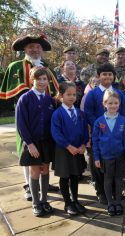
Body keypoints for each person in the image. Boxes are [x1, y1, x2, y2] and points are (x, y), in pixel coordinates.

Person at [84, 63, 125, 204]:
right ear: (98, 76)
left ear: (114, 76)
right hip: (99, 134)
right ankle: (101, 192)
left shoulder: (119, 93)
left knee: (116, 166)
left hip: (116, 135)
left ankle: (117, 191)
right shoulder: (92, 94)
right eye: (104, 74)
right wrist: (99, 125)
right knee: (98, 166)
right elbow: (88, 112)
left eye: (110, 74)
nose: (107, 77)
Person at [16, 66, 56, 216]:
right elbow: (21, 124)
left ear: (48, 81)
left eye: (44, 79)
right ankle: (36, 202)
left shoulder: (49, 100)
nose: (41, 82)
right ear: (32, 80)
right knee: (35, 172)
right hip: (33, 143)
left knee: (45, 170)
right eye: (38, 79)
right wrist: (30, 144)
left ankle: (44, 200)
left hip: (46, 142)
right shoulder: (25, 99)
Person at [92, 89, 125, 216]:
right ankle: (110, 203)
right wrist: (97, 157)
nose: (113, 106)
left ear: (119, 104)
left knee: (119, 179)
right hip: (106, 157)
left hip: (120, 156)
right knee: (108, 179)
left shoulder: (123, 120)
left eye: (116, 103)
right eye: (110, 103)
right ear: (104, 104)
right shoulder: (99, 121)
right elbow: (95, 140)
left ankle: (118, 202)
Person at [51, 82, 88, 216]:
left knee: (75, 176)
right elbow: (56, 133)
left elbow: (84, 129)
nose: (72, 97)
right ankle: (67, 203)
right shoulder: (57, 114)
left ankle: (75, 200)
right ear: (61, 95)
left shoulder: (79, 113)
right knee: (65, 177)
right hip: (64, 150)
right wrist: (68, 146)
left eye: (74, 94)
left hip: (77, 150)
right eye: (68, 94)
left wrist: (84, 144)